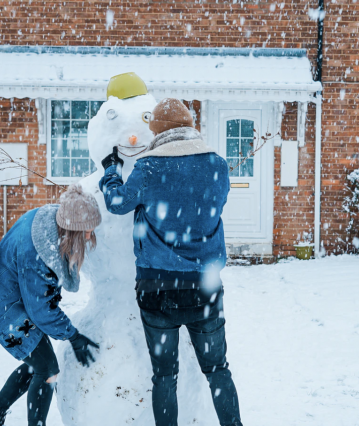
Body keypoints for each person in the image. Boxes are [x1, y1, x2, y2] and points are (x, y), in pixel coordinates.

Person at [99, 98, 243, 426]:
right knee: (218, 371)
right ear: (189, 126)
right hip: (203, 289)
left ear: (159, 131)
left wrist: (111, 172)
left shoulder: (150, 168)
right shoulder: (216, 165)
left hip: (157, 288)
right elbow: (213, 203)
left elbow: (118, 203)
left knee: (165, 377)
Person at [0, 185, 102, 426]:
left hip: (11, 295)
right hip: (2, 304)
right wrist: (73, 336)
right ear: (72, 229)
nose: (88, 236)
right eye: (86, 231)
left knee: (39, 364)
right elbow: (40, 309)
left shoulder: (54, 222)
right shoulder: (38, 253)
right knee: (47, 369)